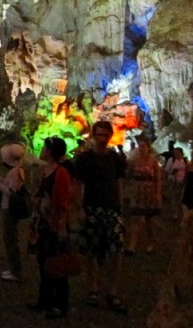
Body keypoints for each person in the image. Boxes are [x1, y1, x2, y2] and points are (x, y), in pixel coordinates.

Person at [74, 120, 127, 314]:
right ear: (93, 136)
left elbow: (119, 182)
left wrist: (120, 206)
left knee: (116, 250)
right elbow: (79, 184)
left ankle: (113, 290)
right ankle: (93, 288)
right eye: (99, 135)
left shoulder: (114, 159)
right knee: (91, 251)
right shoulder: (84, 159)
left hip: (112, 208)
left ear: (110, 136)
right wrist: (79, 208)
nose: (102, 139)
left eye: (105, 135)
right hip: (92, 208)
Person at [28, 137, 73, 319]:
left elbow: (62, 202)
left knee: (57, 263)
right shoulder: (45, 171)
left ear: (51, 151)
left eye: (45, 147)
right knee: (43, 262)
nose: (42, 149)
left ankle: (60, 304)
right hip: (43, 223)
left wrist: (60, 225)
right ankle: (45, 299)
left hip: (54, 223)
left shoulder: (61, 173)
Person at [125, 136, 162, 255]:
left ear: (148, 147)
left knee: (149, 220)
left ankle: (150, 243)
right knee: (135, 219)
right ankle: (132, 245)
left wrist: (157, 193)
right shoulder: (134, 161)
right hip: (137, 192)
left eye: (143, 146)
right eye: (139, 146)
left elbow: (157, 179)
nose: (141, 148)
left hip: (149, 191)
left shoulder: (153, 162)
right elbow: (128, 175)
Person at [0, 143, 27, 282]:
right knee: (11, 238)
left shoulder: (14, 172)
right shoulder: (19, 170)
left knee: (10, 239)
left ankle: (16, 271)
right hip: (9, 207)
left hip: (9, 207)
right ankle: (15, 269)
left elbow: (11, 191)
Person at [164, 147, 188, 220]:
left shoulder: (185, 161)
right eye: (175, 152)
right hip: (174, 181)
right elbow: (167, 170)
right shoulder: (171, 160)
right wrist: (172, 172)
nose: (176, 154)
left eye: (177, 152)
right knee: (174, 197)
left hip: (182, 181)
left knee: (181, 198)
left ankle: (182, 214)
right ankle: (175, 213)